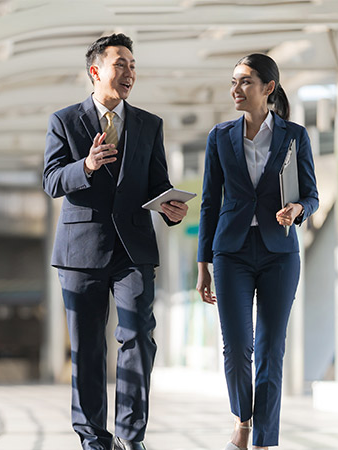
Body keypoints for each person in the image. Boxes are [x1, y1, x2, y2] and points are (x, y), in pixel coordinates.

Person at [43, 33, 188, 450]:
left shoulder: (149, 124)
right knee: (88, 348)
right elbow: (52, 181)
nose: (129, 72)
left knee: (139, 335)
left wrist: (169, 206)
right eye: (120, 64)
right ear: (96, 71)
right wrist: (85, 165)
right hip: (80, 252)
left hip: (134, 250)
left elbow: (157, 183)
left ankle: (130, 434)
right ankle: (93, 438)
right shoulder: (64, 121)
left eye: (133, 65)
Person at [195, 53, 319, 450]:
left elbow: (312, 195)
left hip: (279, 252)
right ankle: (242, 420)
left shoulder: (294, 135)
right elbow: (209, 203)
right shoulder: (219, 137)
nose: (236, 89)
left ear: (268, 88)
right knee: (236, 345)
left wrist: (299, 209)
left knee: (270, 347)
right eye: (234, 81)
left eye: (245, 81)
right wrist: (203, 264)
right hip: (230, 252)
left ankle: (264, 438)